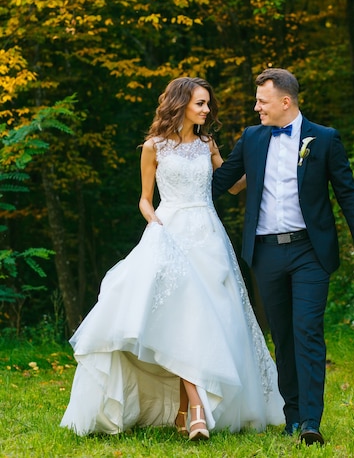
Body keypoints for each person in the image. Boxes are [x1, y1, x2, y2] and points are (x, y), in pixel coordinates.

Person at [60, 76, 284, 439]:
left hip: (208, 236)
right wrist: (154, 221)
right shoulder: (154, 147)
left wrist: (261, 165)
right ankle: (196, 410)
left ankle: (186, 411)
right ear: (180, 103)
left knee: (209, 318)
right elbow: (145, 198)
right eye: (200, 103)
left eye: (207, 104)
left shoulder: (207, 143)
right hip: (170, 231)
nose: (207, 110)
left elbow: (231, 183)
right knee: (182, 315)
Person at [212, 68, 354, 446]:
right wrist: (188, 155)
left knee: (307, 332)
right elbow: (220, 184)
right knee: (283, 337)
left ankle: (310, 422)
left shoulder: (325, 139)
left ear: (285, 102)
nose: (256, 108)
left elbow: (349, 194)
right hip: (265, 253)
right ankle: (292, 415)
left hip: (309, 252)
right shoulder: (251, 138)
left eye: (261, 101)